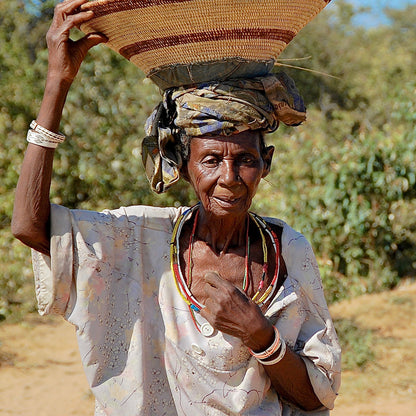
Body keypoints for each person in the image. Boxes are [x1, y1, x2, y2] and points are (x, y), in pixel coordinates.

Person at [12, 1, 341, 415]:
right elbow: (29, 226)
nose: (229, 177)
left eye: (246, 159)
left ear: (266, 163)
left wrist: (262, 337)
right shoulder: (139, 238)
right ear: (181, 166)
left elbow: (316, 396)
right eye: (210, 160)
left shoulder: (287, 250)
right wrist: (57, 81)